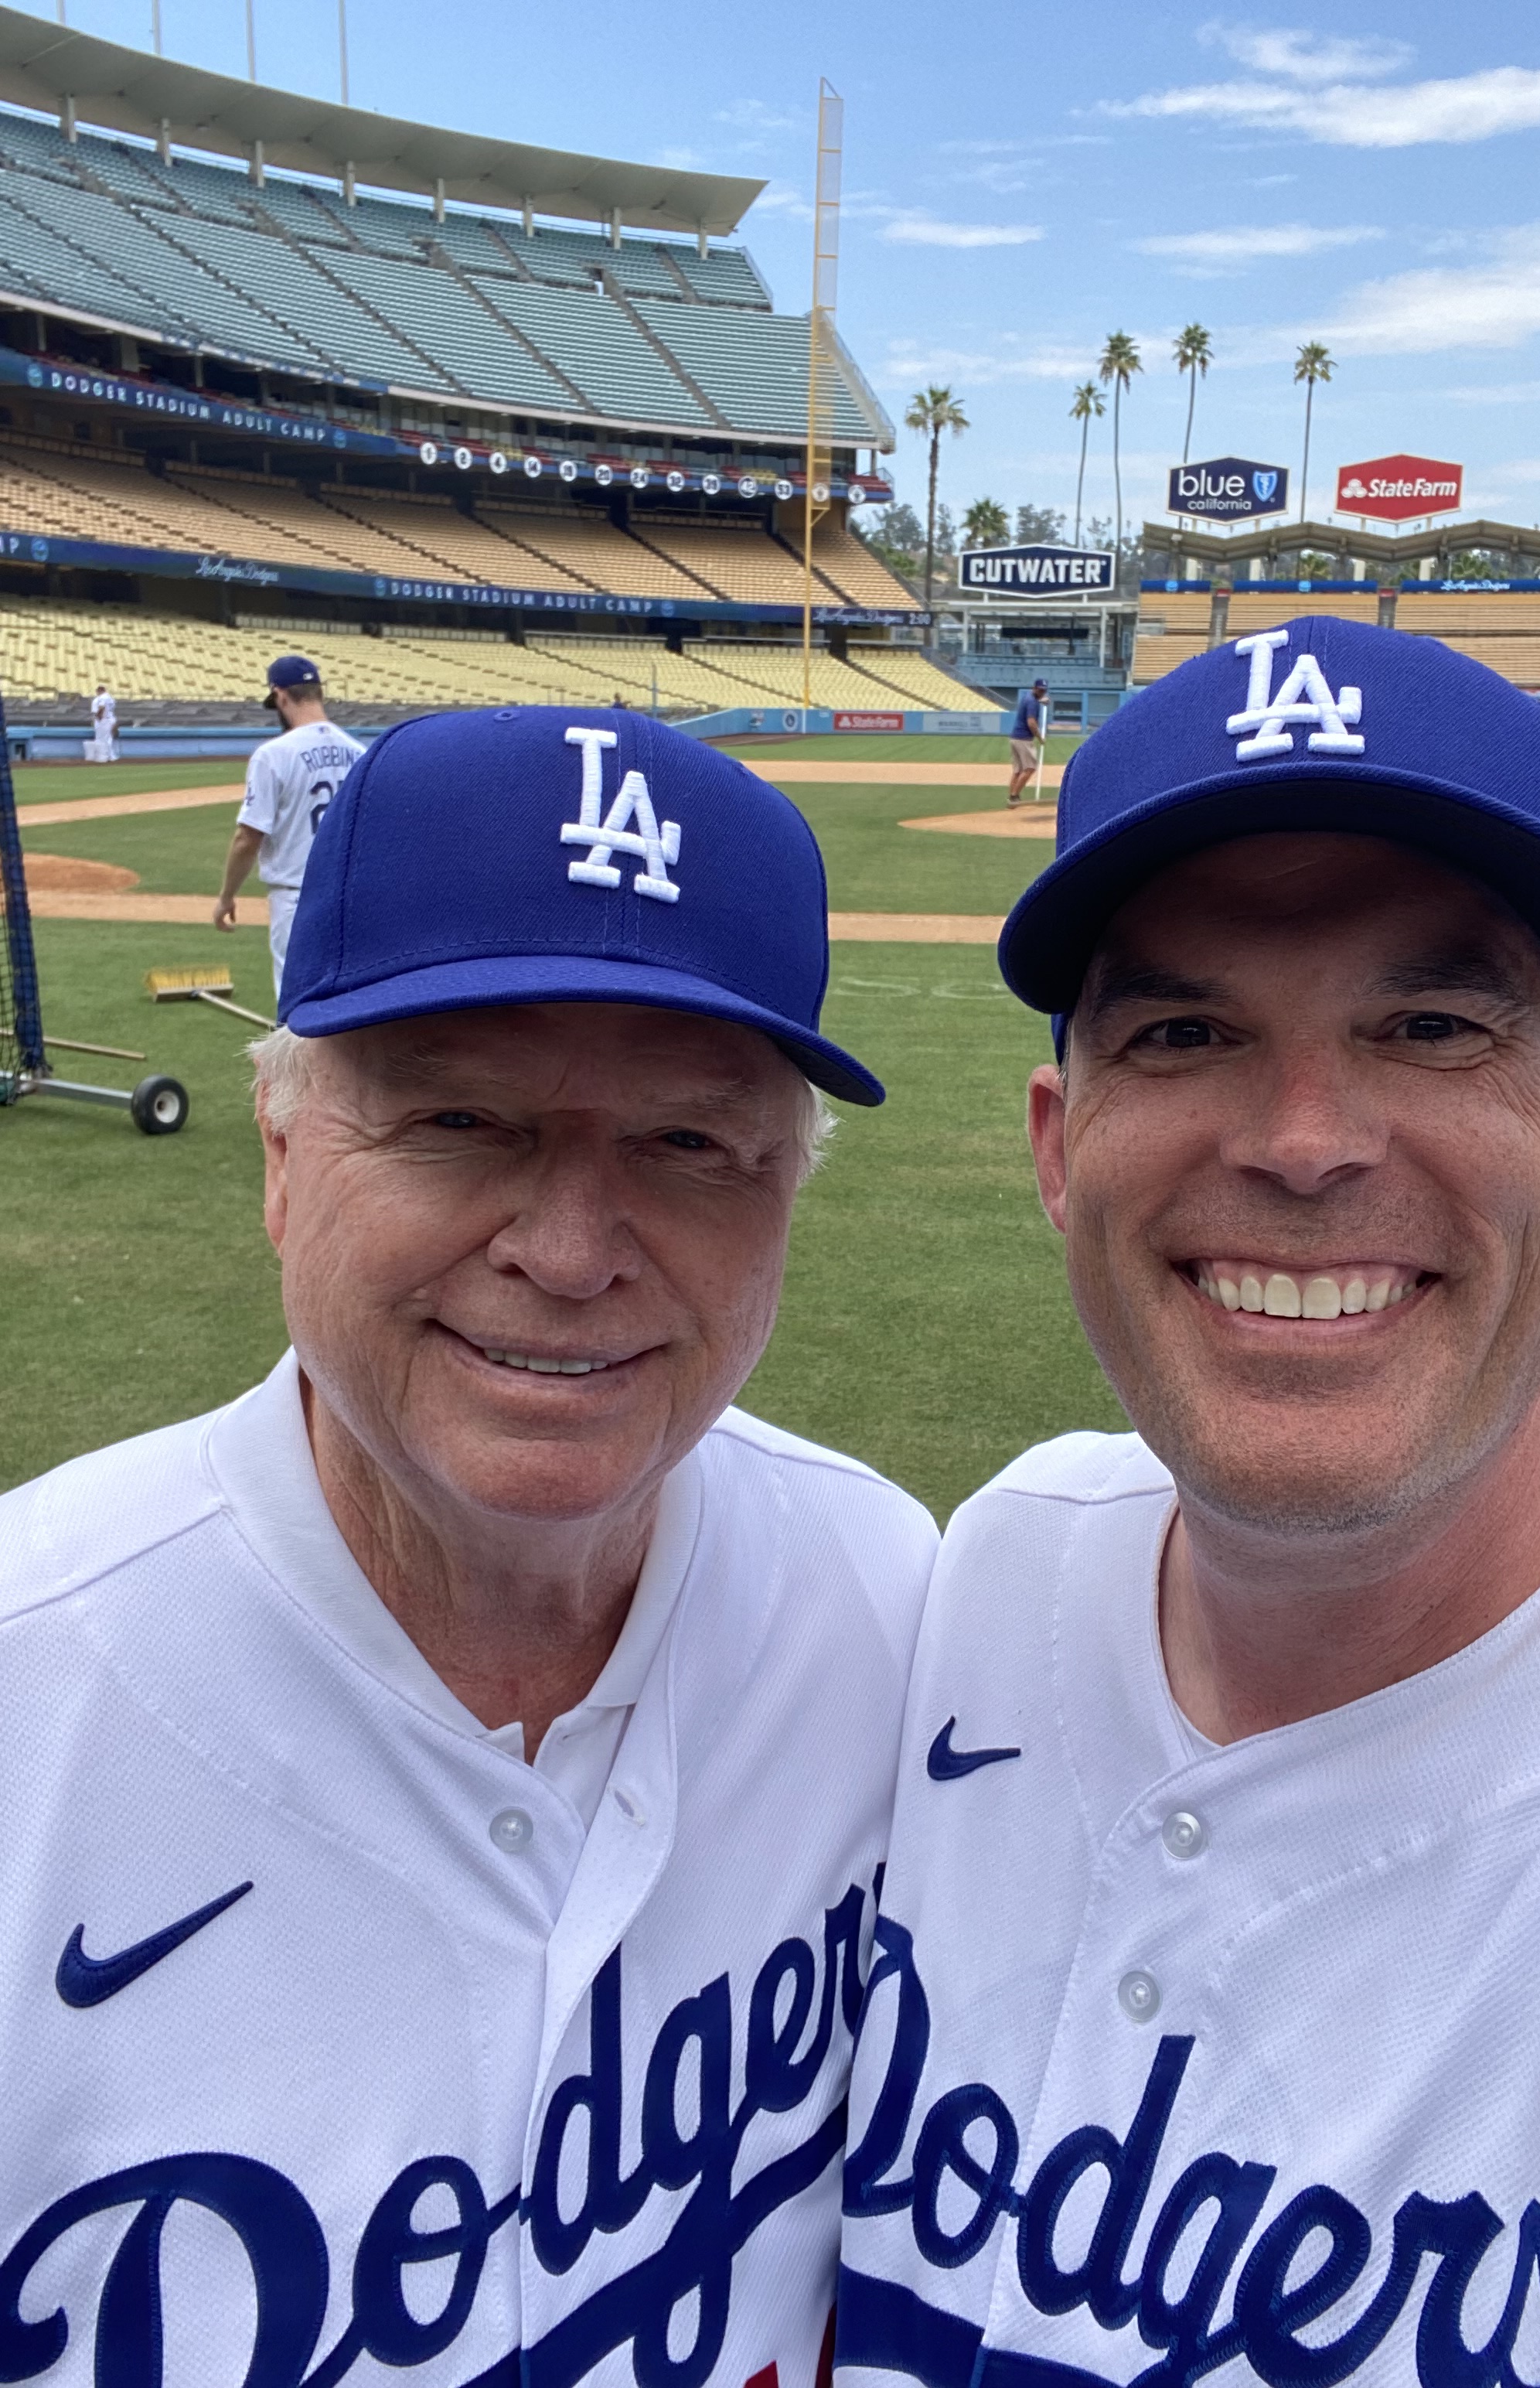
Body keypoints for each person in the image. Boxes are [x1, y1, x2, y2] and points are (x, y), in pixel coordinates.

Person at [836, 620, 1540, 2385]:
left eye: (1427, 1026)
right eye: (1185, 1029)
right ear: (1057, 1149)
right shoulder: (997, 1567)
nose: (1300, 1137)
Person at [0, 707, 936, 2372]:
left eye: (687, 1142)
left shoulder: (889, 1596)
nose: (570, 1253)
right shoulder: (30, 1684)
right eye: (458, 1121)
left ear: (786, 1190)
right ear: (282, 1156)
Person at [215, 654, 366, 1001]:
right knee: (349, 998)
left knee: (297, 1002)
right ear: (319, 693)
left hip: (296, 897)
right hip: (351, 895)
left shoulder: (273, 754)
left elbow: (247, 839)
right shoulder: (358, 751)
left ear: (281, 696)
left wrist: (226, 897)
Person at [1007, 677, 1048, 806]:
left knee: (1018, 770)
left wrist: (1041, 701)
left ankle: (1012, 798)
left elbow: (1034, 701)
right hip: (1023, 739)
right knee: (1030, 768)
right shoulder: (1032, 702)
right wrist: (1040, 738)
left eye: (1044, 691)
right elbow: (1031, 723)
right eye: (1040, 690)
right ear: (1034, 688)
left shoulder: (1028, 697)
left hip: (1015, 738)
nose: (1042, 693)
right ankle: (1014, 796)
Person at [87, 680, 118, 762]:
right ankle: (109, 756)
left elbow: (101, 707)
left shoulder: (103, 697)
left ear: (100, 691)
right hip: (108, 719)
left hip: (104, 719)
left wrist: (98, 717)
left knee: (103, 738)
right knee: (107, 738)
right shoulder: (108, 697)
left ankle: (104, 756)